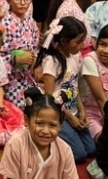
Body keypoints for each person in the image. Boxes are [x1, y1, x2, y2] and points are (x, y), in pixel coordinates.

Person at [37, 17, 92, 162]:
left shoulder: (74, 57)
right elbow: (50, 98)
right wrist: (70, 117)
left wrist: (82, 111)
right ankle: (47, 146)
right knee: (80, 155)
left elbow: (74, 87)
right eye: (78, 42)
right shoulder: (52, 61)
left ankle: (64, 138)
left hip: (73, 111)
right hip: (59, 114)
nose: (81, 46)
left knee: (91, 149)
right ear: (63, 42)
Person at [79, 23, 108, 140]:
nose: (106, 51)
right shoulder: (90, 61)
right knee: (107, 142)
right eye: (102, 44)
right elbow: (100, 98)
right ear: (96, 43)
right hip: (91, 113)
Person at [0, 0, 40, 108]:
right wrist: (15, 58)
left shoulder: (30, 21)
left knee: (40, 105)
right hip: (11, 81)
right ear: (8, 0)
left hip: (28, 77)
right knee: (22, 107)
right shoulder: (4, 25)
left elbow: (36, 47)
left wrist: (36, 62)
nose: (23, 3)